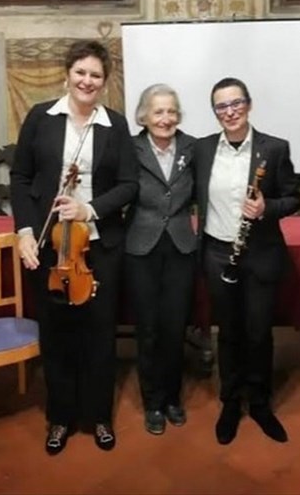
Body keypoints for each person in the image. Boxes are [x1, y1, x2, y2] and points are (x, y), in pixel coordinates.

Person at [10, 40, 138, 455]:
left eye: (96, 75)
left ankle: (99, 415)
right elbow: (21, 178)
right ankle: (60, 417)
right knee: (58, 334)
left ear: (104, 82)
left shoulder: (115, 125)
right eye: (81, 72)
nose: (87, 81)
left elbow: (129, 186)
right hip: (50, 247)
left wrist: (90, 208)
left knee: (100, 335)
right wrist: (26, 231)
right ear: (67, 73)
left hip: (99, 249)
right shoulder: (40, 118)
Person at [193, 77, 300, 445]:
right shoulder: (203, 149)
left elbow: (293, 199)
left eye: (236, 103)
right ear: (215, 113)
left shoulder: (275, 148)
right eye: (221, 106)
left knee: (258, 333)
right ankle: (229, 402)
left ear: (249, 105)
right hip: (218, 252)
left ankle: (259, 403)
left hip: (261, 253)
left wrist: (267, 208)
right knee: (229, 333)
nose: (230, 111)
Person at [125, 84, 197, 436]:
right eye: (158, 112)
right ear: (144, 116)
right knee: (149, 328)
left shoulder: (193, 147)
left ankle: (172, 397)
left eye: (171, 112)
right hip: (141, 248)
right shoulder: (130, 148)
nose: (166, 119)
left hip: (182, 247)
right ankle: (152, 401)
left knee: (175, 326)